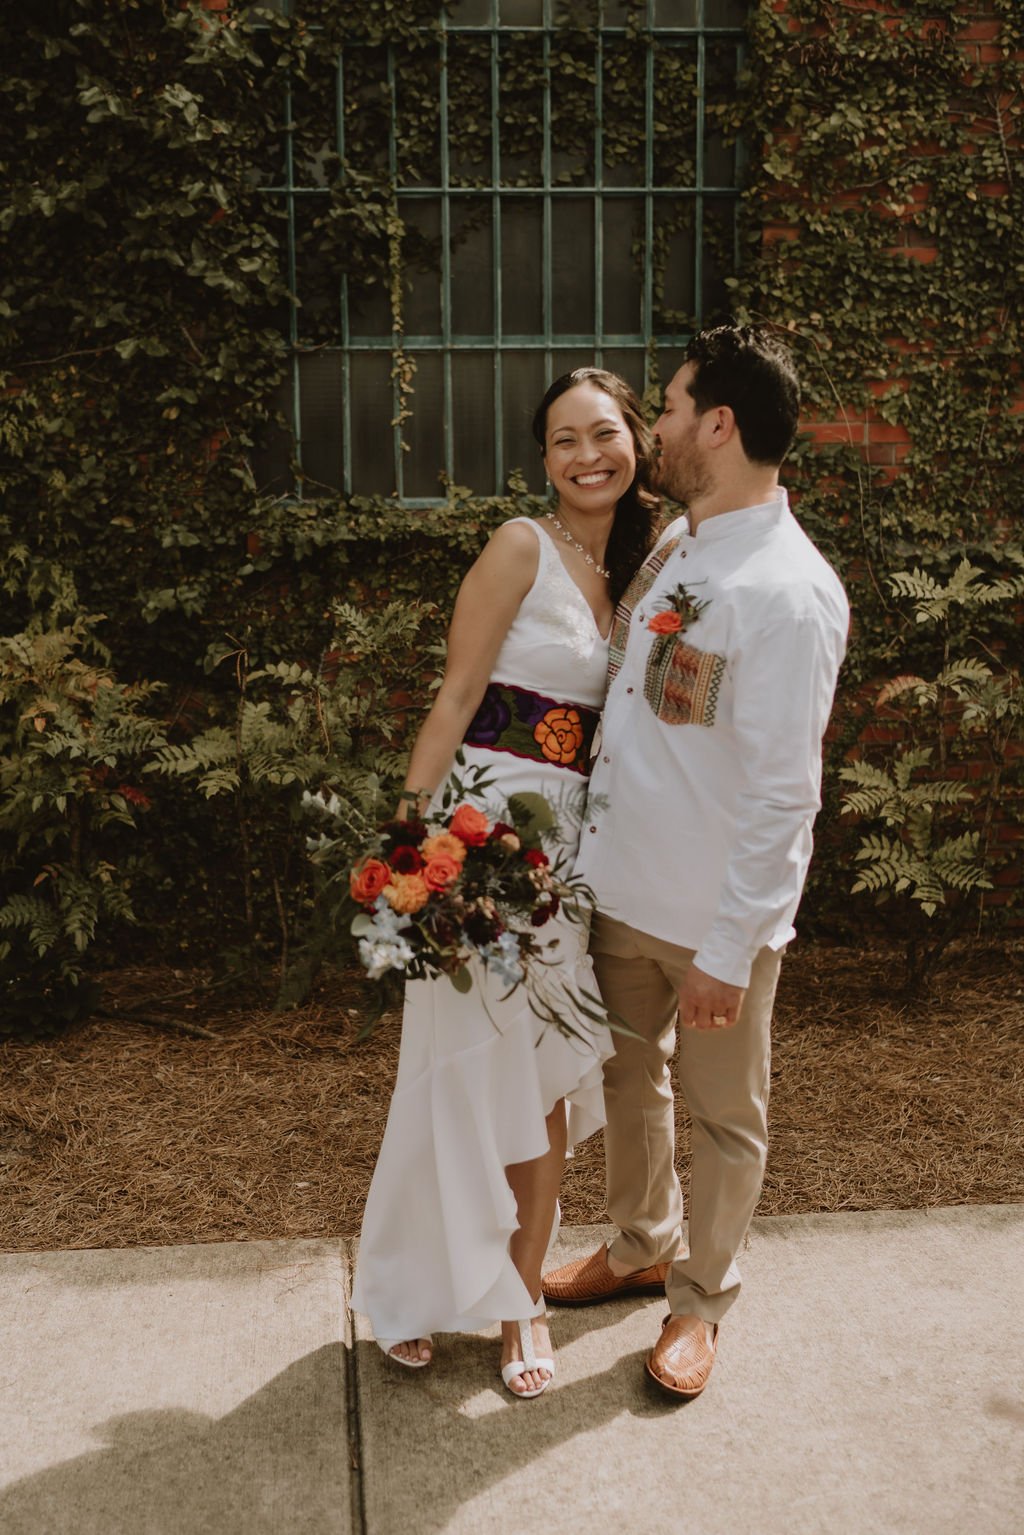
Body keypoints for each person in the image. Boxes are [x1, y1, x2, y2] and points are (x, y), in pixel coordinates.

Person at [542, 325, 850, 1400]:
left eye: (668, 407)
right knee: (631, 1081)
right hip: (622, 891)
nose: (653, 427)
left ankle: (699, 1301)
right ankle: (636, 1245)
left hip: (714, 921)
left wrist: (729, 946)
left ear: (718, 423)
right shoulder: (677, 543)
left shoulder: (789, 591)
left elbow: (782, 795)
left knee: (725, 1117)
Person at [350, 368, 659, 1398]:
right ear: (543, 459)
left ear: (635, 441)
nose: (587, 455)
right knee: (458, 1061)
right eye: (564, 439)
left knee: (542, 1070)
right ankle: (412, 1287)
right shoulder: (519, 545)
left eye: (604, 432)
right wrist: (408, 835)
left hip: (569, 848)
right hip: (481, 824)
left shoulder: (642, 566)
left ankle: (521, 1292)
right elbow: (456, 693)